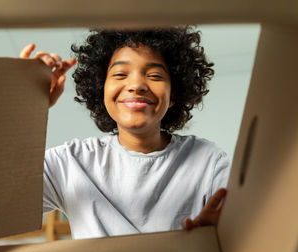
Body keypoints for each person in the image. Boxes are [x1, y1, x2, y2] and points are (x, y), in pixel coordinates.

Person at [20, 26, 230, 240]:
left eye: (155, 75)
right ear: (101, 88)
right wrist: (20, 107)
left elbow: (245, 232)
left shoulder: (208, 162)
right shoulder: (69, 163)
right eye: (120, 74)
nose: (136, 85)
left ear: (173, 93)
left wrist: (217, 236)